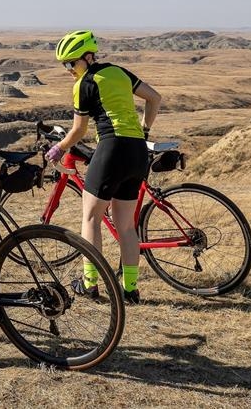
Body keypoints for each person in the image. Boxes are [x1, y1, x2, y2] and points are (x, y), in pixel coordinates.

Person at [44, 30, 161, 304]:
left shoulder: (84, 84)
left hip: (112, 149)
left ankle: (90, 284)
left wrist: (59, 148)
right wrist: (144, 130)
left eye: (71, 63)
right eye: (65, 65)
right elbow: (154, 98)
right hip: (137, 152)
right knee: (126, 227)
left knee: (90, 218)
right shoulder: (118, 72)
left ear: (87, 57)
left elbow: (78, 130)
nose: (68, 69)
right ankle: (130, 290)